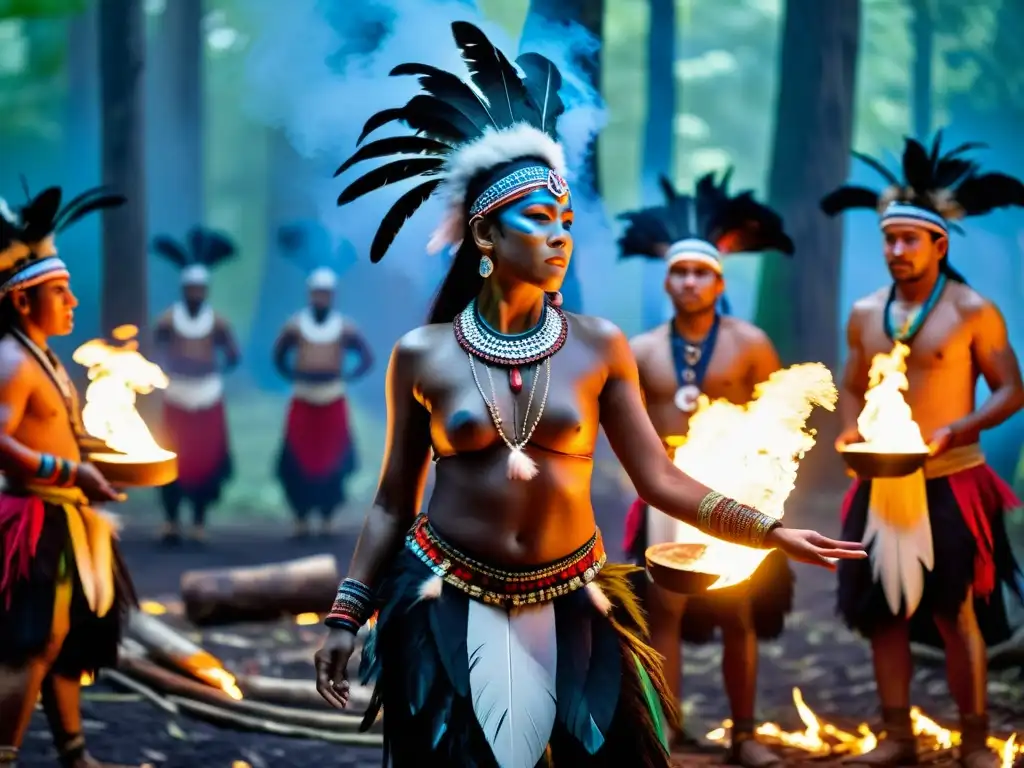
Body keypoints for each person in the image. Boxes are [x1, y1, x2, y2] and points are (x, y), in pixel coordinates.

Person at [313, 22, 865, 768]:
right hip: (441, 594)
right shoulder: (424, 354)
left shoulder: (600, 345)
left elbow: (658, 477)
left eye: (567, 221)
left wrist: (769, 531)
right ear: (485, 234)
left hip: (575, 594)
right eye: (538, 219)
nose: (559, 236)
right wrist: (347, 614)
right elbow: (390, 502)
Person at [822, 134, 1024, 768]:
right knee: (882, 613)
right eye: (888, 239)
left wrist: (957, 428)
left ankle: (973, 739)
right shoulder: (863, 313)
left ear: (939, 243)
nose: (896, 251)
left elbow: (1013, 390)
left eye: (909, 239)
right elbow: (852, 386)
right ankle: (896, 736)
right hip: (880, 481)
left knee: (954, 610)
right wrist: (849, 430)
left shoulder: (971, 310)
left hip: (951, 478)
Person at [618, 171, 796, 767]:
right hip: (669, 496)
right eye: (679, 272)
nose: (689, 282)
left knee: (739, 609)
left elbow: (781, 418)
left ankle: (744, 733)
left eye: (700, 273)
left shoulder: (750, 343)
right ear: (666, 280)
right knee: (664, 608)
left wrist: (766, 489)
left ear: (719, 281)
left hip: (734, 491)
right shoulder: (639, 350)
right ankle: (668, 729)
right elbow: (625, 430)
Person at [0, 185, 137, 768]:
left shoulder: (46, 358)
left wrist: (106, 456)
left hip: (67, 515)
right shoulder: (10, 360)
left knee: (67, 644)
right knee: (33, 644)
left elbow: (59, 430)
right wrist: (70, 469)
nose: (74, 302)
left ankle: (74, 753)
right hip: (32, 520)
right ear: (25, 300)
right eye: (61, 292)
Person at [274, 222, 373, 537]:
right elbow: (278, 355)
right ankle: (301, 519)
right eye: (316, 294)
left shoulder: (345, 328)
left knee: (333, 464)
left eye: (325, 294)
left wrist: (347, 374)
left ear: (332, 296)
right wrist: (291, 375)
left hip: (332, 399)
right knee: (298, 461)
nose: (320, 299)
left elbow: (366, 357)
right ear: (309, 295)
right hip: (303, 398)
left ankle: (328, 518)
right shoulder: (295, 325)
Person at [151, 227, 239, 544]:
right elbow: (155, 346)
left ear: (206, 290)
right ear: (183, 289)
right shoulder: (168, 319)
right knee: (171, 457)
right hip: (177, 395)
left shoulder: (217, 322)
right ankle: (171, 521)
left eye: (200, 289)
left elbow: (233, 352)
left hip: (207, 396)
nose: (196, 294)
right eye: (191, 289)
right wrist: (164, 367)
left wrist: (217, 366)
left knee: (205, 461)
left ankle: (199, 522)